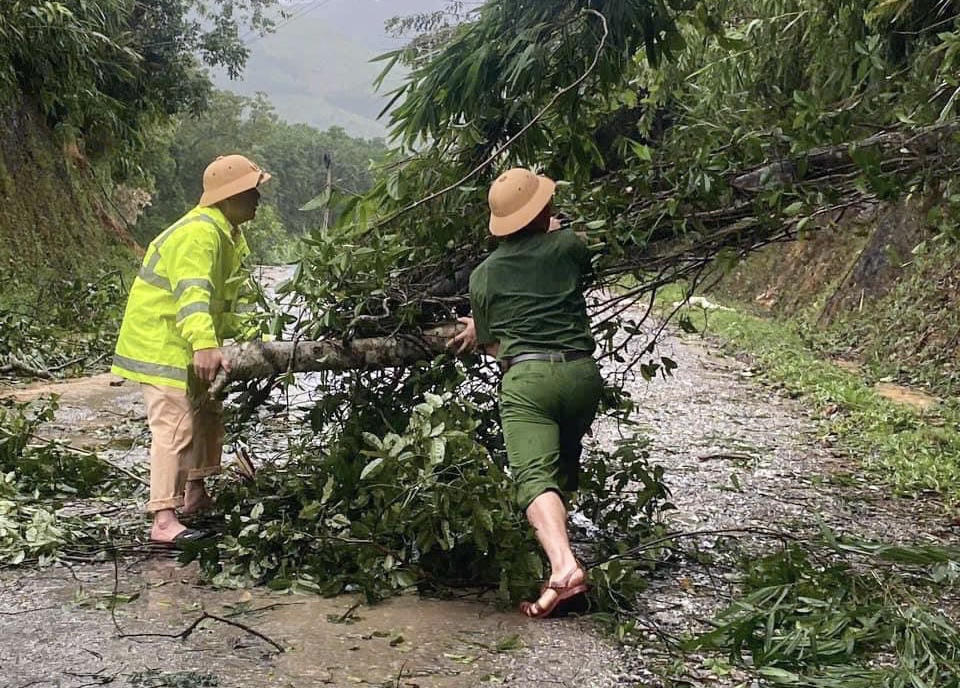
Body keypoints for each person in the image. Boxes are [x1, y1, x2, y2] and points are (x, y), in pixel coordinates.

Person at [449, 168, 601, 618]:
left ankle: (564, 568)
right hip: (581, 376)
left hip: (529, 382)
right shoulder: (569, 246)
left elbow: (492, 344)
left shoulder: (484, 276)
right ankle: (559, 579)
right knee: (561, 469)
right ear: (543, 209)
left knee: (535, 477)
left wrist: (477, 328)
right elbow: (580, 263)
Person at [111, 154, 271, 545]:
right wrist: (204, 343)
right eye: (251, 191)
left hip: (190, 340)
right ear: (229, 195)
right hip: (162, 341)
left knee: (207, 413)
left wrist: (252, 345)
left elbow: (231, 300)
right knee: (176, 424)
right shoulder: (200, 233)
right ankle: (163, 519)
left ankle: (194, 495)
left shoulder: (229, 235)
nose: (257, 199)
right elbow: (193, 294)